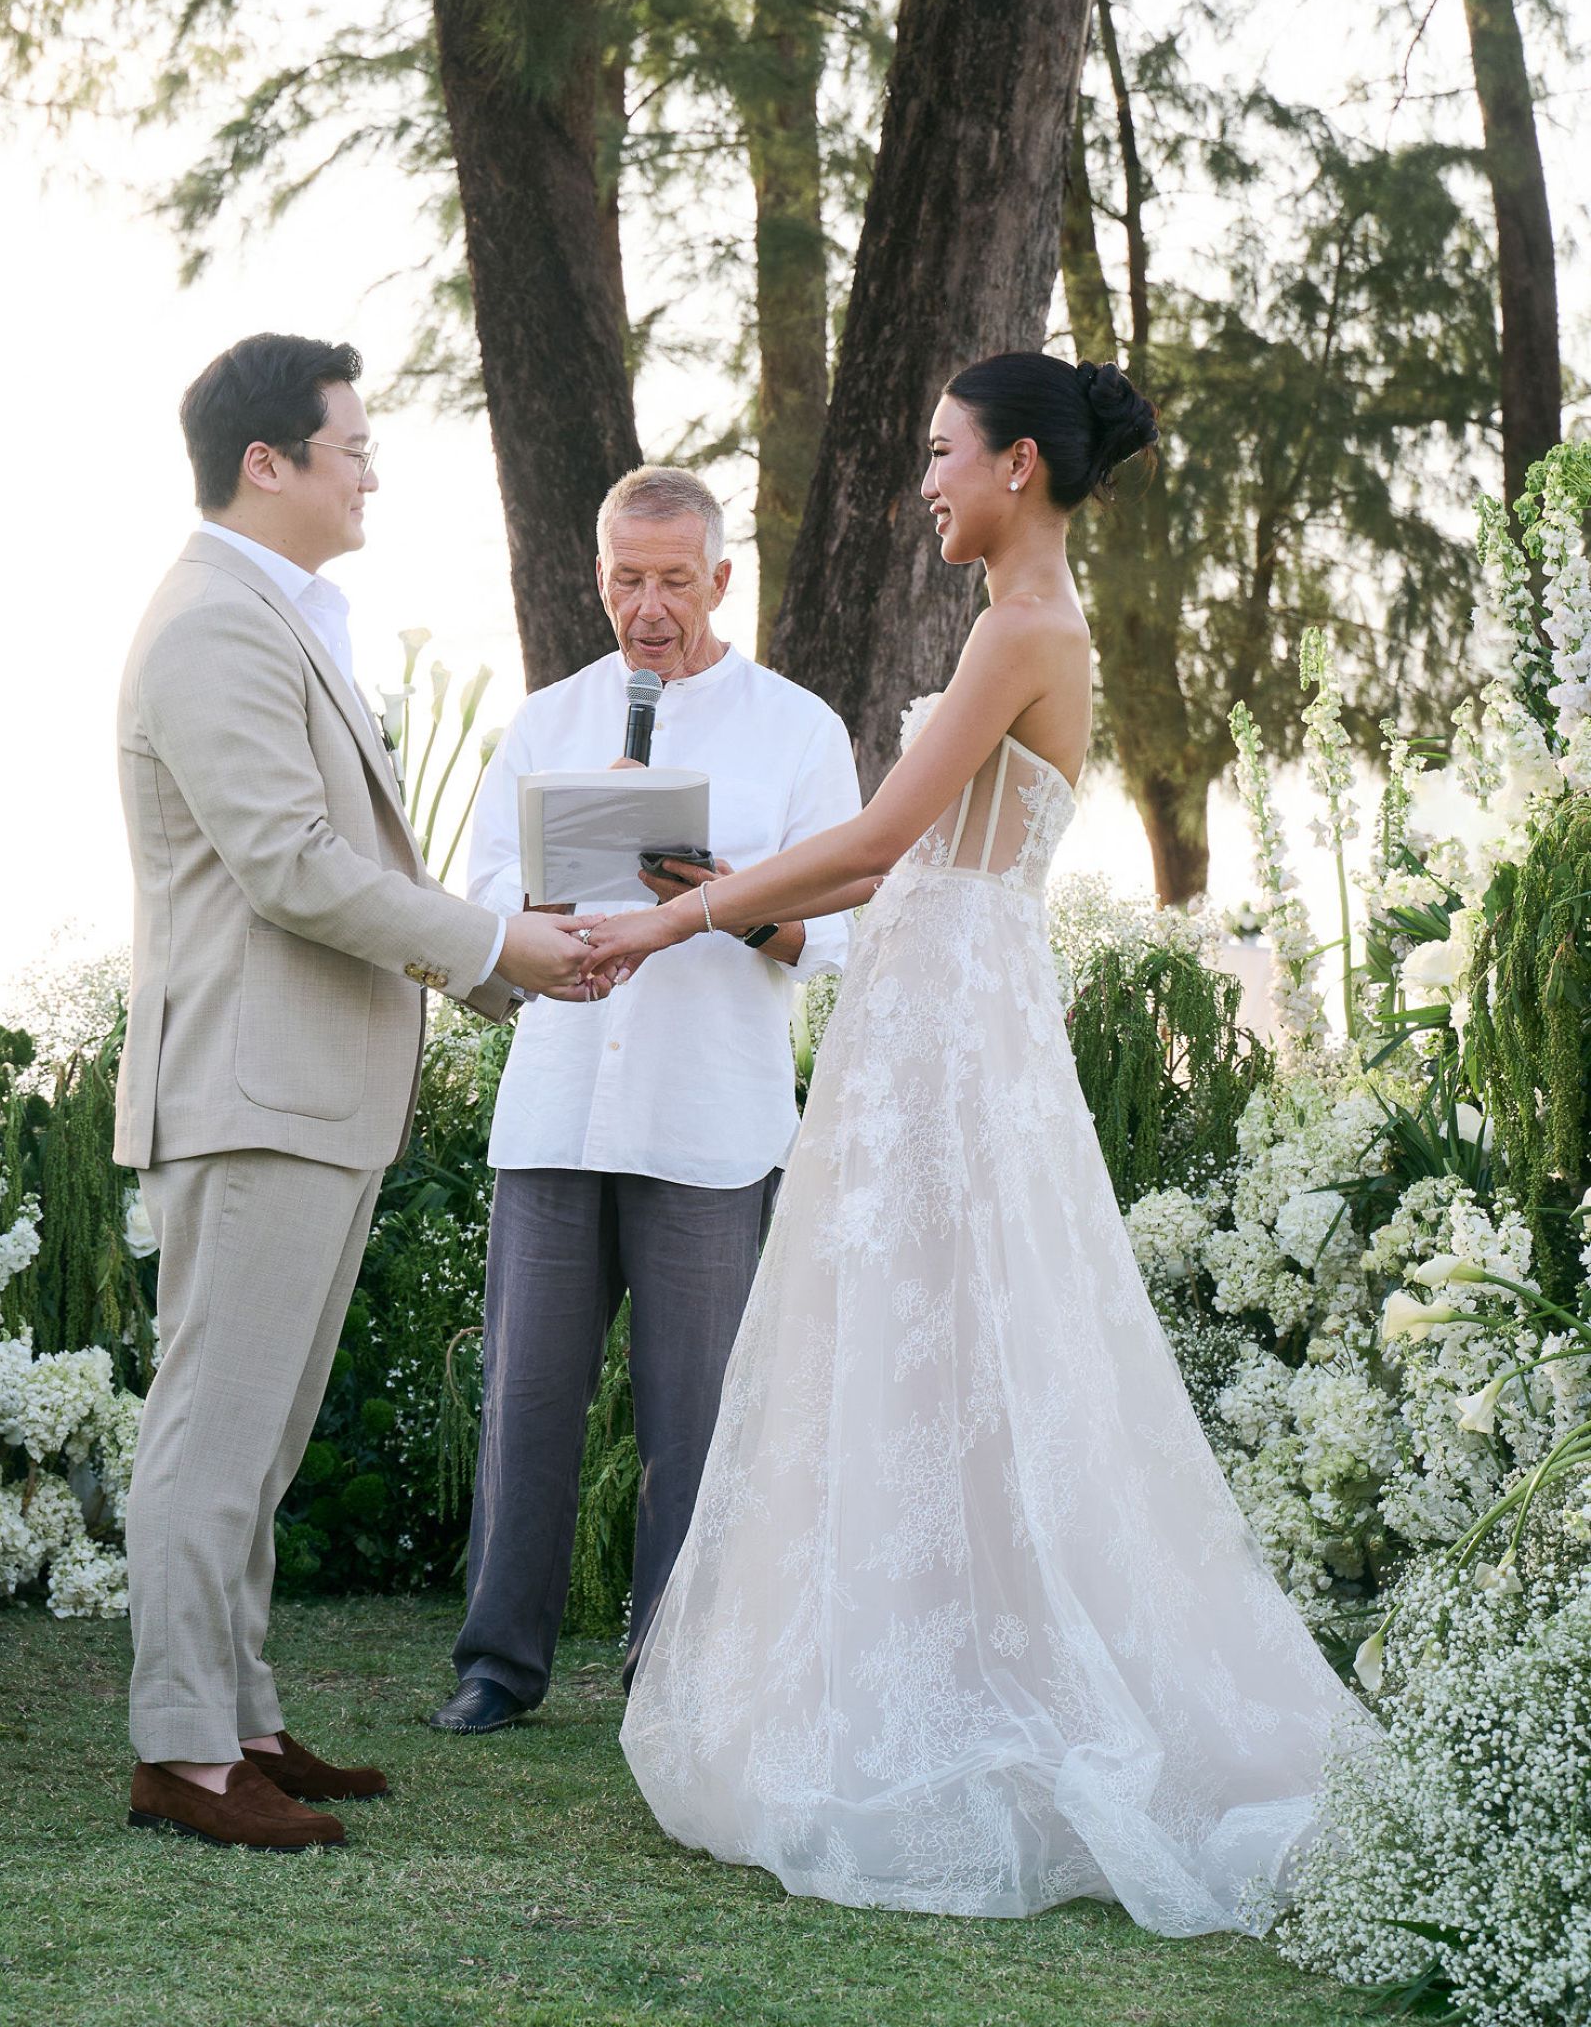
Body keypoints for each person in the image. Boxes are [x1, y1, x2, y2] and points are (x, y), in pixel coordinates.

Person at [578, 357, 1378, 1935]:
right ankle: (916, 1661)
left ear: (1018, 463)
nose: (925, 483)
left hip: (952, 1021)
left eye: (943, 456)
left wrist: (671, 915)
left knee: (967, 1335)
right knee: (921, 1343)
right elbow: (883, 861)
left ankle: (989, 1691)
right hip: (934, 1009)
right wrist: (729, 886)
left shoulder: (1024, 630)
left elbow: (879, 846)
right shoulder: (1007, 623)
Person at [114, 332, 597, 1854]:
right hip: (251, 1090)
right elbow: (292, 865)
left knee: (258, 1437)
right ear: (271, 463)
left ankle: (240, 1718)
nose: (373, 467)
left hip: (305, 1091)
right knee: (212, 1432)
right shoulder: (213, 626)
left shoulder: (274, 617)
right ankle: (183, 1756)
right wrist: (491, 945)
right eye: (353, 445)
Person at [427, 466, 862, 1735]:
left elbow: (838, 939)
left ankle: (672, 1673)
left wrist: (723, 897)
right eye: (629, 577)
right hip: (558, 1106)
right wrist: (557, 894)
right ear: (598, 576)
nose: (650, 604)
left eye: (676, 578)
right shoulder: (549, 719)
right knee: (526, 1401)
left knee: (698, 1414)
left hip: (711, 1120)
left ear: (722, 579)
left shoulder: (797, 729)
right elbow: (487, 903)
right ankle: (498, 1668)